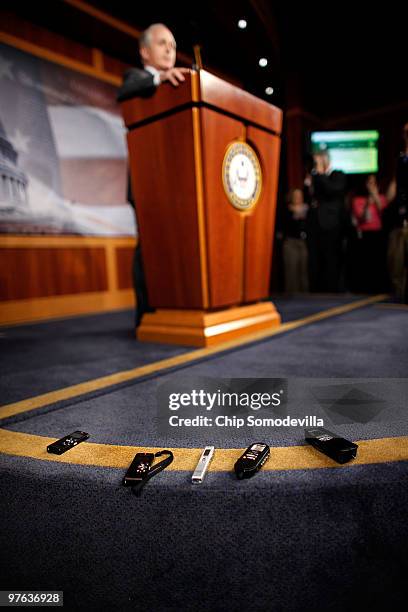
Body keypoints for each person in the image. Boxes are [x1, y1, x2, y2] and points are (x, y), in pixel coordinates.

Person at [117, 24, 189, 326]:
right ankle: (146, 316)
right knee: (150, 248)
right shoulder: (138, 79)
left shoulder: (183, 84)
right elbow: (128, 89)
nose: (170, 50)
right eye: (163, 44)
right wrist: (159, 78)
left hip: (180, 183)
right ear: (145, 51)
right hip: (147, 185)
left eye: (173, 44)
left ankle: (177, 309)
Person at [307, 150, 347, 292]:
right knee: (317, 260)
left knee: (332, 259)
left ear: (326, 159)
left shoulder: (338, 174)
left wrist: (320, 173)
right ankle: (318, 290)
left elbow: (332, 190)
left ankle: (333, 290)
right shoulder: (315, 177)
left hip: (332, 224)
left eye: (318, 160)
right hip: (315, 225)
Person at [351, 174, 388, 293]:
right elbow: (361, 217)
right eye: (369, 183)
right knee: (365, 263)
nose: (371, 185)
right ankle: (364, 288)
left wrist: (375, 196)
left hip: (378, 233)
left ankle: (378, 288)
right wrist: (367, 202)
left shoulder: (381, 197)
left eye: (374, 182)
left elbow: (382, 209)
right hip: (365, 234)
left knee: (378, 262)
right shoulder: (358, 200)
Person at [384, 121, 408, 301]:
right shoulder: (400, 159)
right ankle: (398, 297)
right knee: (395, 262)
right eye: (405, 132)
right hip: (399, 220)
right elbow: (392, 189)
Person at [282, 188, 309, 293]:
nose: (298, 198)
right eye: (296, 196)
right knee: (291, 270)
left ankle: (305, 296)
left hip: (302, 243)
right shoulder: (287, 211)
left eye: (300, 196)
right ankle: (292, 295)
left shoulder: (307, 209)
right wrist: (294, 213)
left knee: (303, 271)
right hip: (290, 243)